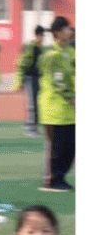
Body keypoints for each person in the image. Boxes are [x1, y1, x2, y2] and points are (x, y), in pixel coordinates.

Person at [38, 16, 74, 191]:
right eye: (67, 28)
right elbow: (58, 81)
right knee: (57, 149)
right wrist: (72, 97)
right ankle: (52, 180)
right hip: (54, 110)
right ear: (58, 33)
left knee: (71, 148)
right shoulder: (52, 56)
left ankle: (61, 177)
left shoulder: (70, 52)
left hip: (69, 111)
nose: (70, 31)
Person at [15, 26, 45, 139]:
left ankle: (29, 124)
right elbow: (23, 64)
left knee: (34, 102)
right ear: (37, 35)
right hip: (30, 78)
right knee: (33, 103)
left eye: (43, 36)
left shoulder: (39, 47)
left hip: (36, 78)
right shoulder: (32, 47)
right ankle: (32, 128)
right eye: (41, 36)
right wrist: (21, 80)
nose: (42, 38)